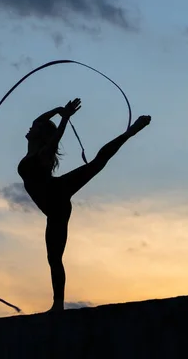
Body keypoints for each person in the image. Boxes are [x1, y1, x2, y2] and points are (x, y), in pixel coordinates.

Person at [17, 98, 151, 312]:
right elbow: (38, 119)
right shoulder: (32, 148)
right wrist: (59, 110)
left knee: (97, 163)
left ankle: (131, 132)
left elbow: (55, 138)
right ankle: (57, 305)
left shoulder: (42, 154)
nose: (30, 127)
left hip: (58, 195)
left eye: (34, 128)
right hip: (53, 209)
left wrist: (64, 120)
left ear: (40, 134)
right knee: (53, 258)